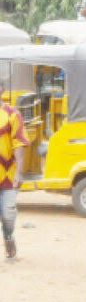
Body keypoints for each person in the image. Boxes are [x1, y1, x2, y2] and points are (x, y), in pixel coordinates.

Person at [0, 84, 29, 258]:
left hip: (8, 175)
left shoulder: (12, 114)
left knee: (8, 215)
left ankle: (9, 239)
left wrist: (18, 172)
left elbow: (18, 144)